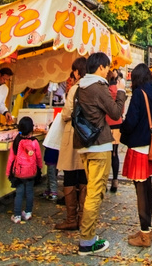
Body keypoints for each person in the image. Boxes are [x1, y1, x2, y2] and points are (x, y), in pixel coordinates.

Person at [73, 52, 127, 256]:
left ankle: (89, 235)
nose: (108, 70)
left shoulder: (80, 87)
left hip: (84, 144)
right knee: (95, 193)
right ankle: (87, 241)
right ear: (101, 67)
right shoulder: (99, 86)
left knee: (91, 190)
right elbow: (115, 112)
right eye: (107, 67)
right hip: (99, 145)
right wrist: (121, 93)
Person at [120, 63, 152, 247]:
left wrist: (121, 128)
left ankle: (144, 233)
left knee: (140, 190)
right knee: (147, 187)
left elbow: (131, 121)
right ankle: (148, 228)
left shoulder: (139, 94)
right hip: (151, 144)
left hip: (139, 145)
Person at [56, 58, 88, 231]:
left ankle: (71, 218)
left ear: (76, 72)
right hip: (86, 137)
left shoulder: (75, 88)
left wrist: (63, 115)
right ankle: (83, 217)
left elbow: (67, 112)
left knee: (69, 173)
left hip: (73, 133)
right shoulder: (92, 87)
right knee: (83, 173)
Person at [7, 116, 42, 224]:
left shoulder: (16, 141)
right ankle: (28, 213)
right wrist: (39, 167)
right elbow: (38, 157)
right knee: (30, 192)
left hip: (19, 172)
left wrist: (8, 171)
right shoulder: (34, 142)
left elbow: (11, 158)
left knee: (19, 193)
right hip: (31, 171)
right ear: (31, 129)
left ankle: (17, 215)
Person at [106, 69, 123, 194]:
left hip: (105, 123)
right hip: (117, 123)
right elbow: (121, 110)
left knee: (105, 153)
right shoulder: (118, 90)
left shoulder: (104, 91)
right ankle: (115, 180)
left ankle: (103, 181)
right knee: (114, 153)